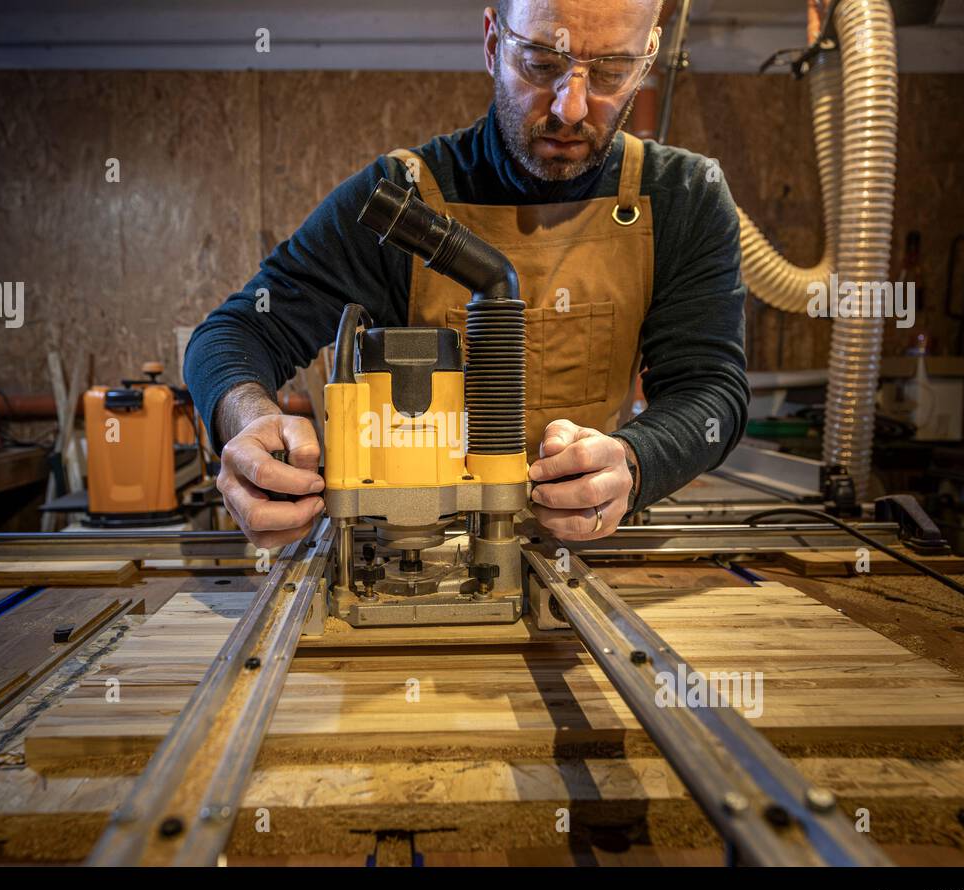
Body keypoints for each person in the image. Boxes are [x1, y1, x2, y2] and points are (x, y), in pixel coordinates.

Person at [185, 0, 749, 548]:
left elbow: (710, 389)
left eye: (611, 71)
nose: (571, 107)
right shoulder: (403, 200)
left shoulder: (683, 197)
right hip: (415, 553)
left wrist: (633, 462)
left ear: (647, 57)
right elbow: (237, 332)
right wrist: (249, 420)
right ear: (492, 43)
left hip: (585, 554)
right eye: (542, 64)